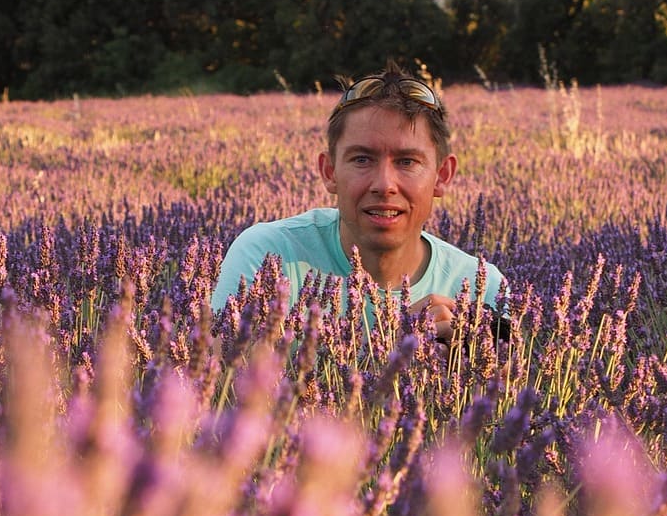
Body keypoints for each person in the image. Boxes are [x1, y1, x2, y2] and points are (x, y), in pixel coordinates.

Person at [211, 65, 505, 340]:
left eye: (407, 161)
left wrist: (469, 359)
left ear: (442, 176)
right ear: (330, 172)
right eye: (362, 159)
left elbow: (514, 390)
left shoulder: (482, 289)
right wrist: (396, 355)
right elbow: (220, 386)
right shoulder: (269, 256)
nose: (384, 185)